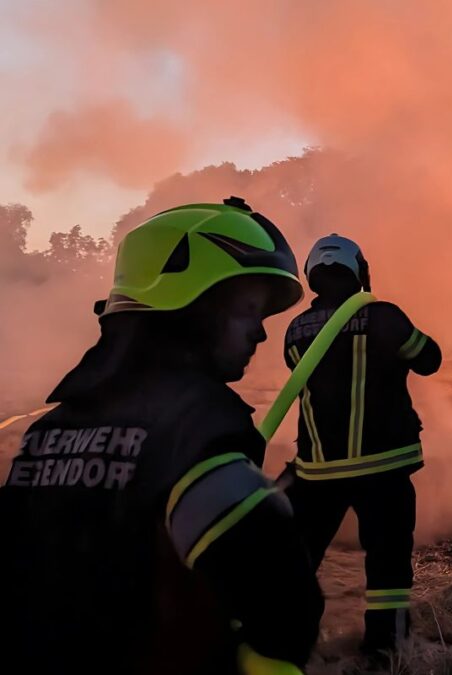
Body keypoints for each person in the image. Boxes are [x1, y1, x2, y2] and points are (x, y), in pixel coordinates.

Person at [0, 198, 323, 675]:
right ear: (193, 308)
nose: (259, 333)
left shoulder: (49, 430)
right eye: (248, 310)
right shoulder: (192, 430)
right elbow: (282, 604)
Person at [281, 233, 441, 654]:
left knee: (300, 560)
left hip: (318, 473)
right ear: (360, 272)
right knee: (387, 563)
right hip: (384, 468)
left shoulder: (296, 329)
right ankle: (386, 650)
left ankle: (283, 641)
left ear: (312, 276)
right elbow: (430, 359)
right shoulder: (384, 316)